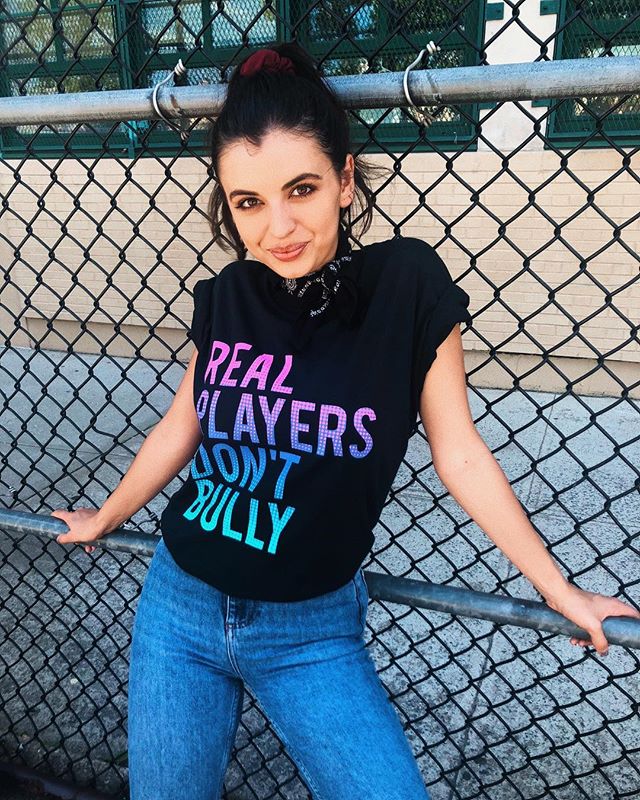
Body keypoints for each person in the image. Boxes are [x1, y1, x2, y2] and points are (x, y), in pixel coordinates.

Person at [51, 41, 640, 800]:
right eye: (248, 202)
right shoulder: (227, 296)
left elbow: (459, 453)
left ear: (346, 181)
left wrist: (559, 590)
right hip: (180, 602)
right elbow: (180, 425)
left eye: (301, 189)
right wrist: (107, 516)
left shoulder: (406, 287)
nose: (278, 226)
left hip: (310, 630)